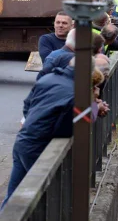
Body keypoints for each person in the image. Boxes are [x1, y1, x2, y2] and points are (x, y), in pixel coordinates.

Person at [2, 57, 79, 208]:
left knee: (13, 196)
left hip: (23, 141)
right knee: (45, 197)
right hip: (38, 146)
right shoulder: (75, 94)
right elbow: (66, 128)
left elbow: (27, 105)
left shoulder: (49, 78)